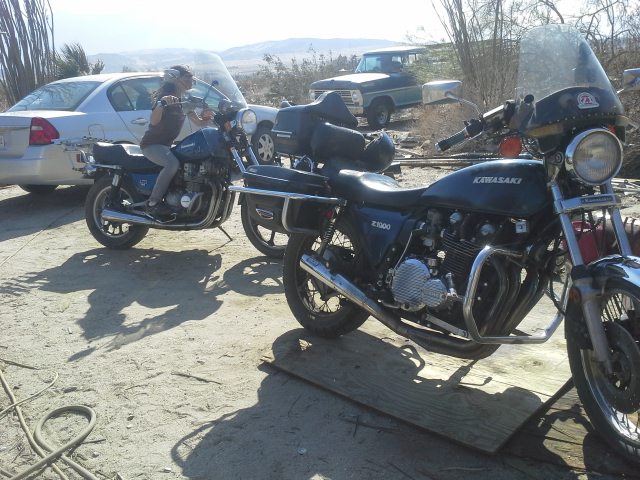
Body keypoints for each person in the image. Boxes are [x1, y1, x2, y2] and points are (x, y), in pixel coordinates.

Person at [140, 64, 212, 216]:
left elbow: (199, 123)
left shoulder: (183, 100)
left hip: (166, 146)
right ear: (175, 78)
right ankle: (153, 203)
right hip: (152, 145)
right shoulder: (165, 97)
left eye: (192, 78)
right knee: (172, 164)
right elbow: (153, 121)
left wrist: (208, 117)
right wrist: (162, 104)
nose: (191, 81)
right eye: (187, 78)